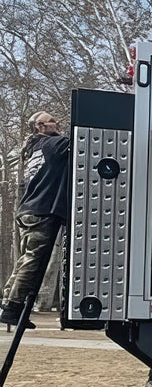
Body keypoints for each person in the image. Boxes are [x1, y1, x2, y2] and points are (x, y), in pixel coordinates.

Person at [1, 111, 71, 328]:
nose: (56, 123)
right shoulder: (53, 144)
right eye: (51, 121)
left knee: (24, 260)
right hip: (43, 211)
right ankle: (14, 307)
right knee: (34, 260)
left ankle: (7, 302)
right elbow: (81, 140)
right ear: (40, 126)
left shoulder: (33, 149)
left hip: (27, 210)